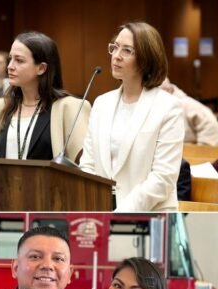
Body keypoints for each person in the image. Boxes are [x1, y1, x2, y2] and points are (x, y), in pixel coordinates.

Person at [79, 22, 184, 211]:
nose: (116, 56)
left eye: (127, 50)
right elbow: (88, 165)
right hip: (100, 208)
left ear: (147, 59)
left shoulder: (168, 107)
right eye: (115, 47)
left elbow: (163, 178)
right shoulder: (102, 103)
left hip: (148, 212)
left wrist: (121, 213)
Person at [0, 32, 90, 162]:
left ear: (41, 68)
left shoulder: (70, 108)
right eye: (10, 59)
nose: (10, 66)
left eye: (19, 60)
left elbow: (84, 165)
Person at [160, 77, 218, 146]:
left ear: (168, 89)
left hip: (192, 151)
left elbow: (212, 128)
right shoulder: (157, 108)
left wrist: (200, 148)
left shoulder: (188, 105)